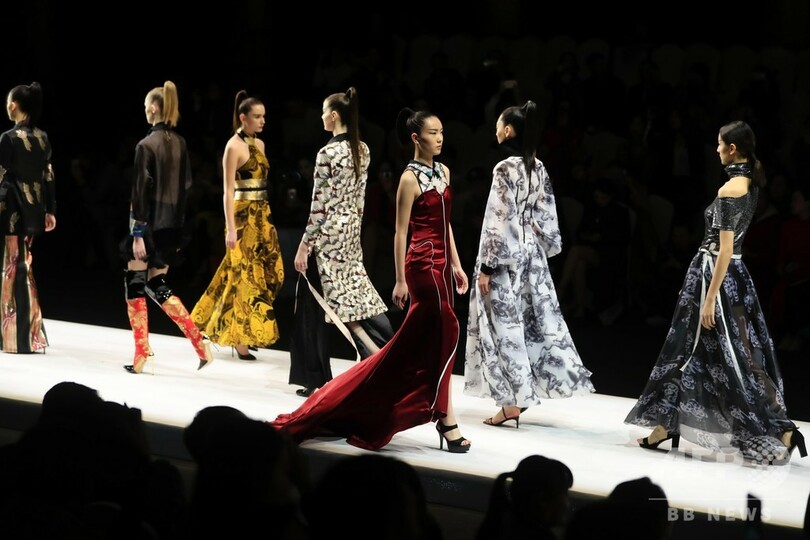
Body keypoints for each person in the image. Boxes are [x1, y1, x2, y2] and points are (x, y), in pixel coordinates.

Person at [271, 108, 471, 453]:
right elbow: (400, 232)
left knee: (424, 345)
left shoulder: (444, 172)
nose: (439, 138)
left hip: (442, 267)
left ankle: (391, 400)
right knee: (447, 333)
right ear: (415, 138)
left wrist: (456, 263)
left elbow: (446, 221)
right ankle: (446, 419)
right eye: (433, 133)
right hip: (422, 265)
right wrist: (400, 280)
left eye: (441, 132)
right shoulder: (409, 178)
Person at [624, 120, 806, 464]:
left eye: (720, 144)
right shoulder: (750, 182)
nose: (717, 149)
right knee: (717, 352)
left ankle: (777, 428)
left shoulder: (730, 189)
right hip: (735, 276)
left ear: (732, 149)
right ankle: (666, 425)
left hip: (714, 277)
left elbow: (724, 249)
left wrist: (709, 299)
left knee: (720, 354)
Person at [464, 101, 595, 428]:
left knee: (504, 328)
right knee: (529, 324)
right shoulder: (537, 166)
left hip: (505, 258)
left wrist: (487, 266)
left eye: (498, 124)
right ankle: (520, 394)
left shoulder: (504, 168)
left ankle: (512, 401)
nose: (495, 129)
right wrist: (535, 244)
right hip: (531, 255)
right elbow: (547, 215)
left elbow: (498, 218)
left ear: (508, 130)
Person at [289, 87, 394, 397]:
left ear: (334, 115)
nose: (321, 117)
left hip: (327, 238)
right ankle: (383, 354)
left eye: (324, 112)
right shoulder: (363, 149)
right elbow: (359, 199)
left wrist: (304, 245)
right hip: (350, 234)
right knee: (356, 299)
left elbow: (319, 205)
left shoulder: (327, 153)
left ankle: (323, 375)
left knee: (319, 306)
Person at [121, 81, 212, 374]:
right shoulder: (180, 143)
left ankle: (142, 352)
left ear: (153, 108)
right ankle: (199, 341)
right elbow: (187, 188)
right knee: (157, 283)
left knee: (135, 285)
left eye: (145, 106)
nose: (144, 110)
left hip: (148, 225)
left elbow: (139, 192)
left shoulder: (145, 145)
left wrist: (137, 233)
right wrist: (180, 231)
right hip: (172, 225)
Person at [191, 90, 284, 360]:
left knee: (271, 272)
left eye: (264, 116)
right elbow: (227, 190)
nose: (262, 120)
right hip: (242, 217)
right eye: (257, 116)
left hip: (262, 215)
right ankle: (242, 339)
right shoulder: (232, 146)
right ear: (243, 118)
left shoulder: (261, 145)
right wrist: (231, 228)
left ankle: (217, 323)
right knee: (244, 276)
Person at [0, 82, 56, 353]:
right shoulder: (42, 137)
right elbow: (48, 176)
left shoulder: (8, 138)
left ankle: (16, 338)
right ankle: (32, 334)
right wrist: (50, 210)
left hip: (10, 209)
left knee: (12, 268)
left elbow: (1, 175)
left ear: (13, 105)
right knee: (23, 267)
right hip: (33, 211)